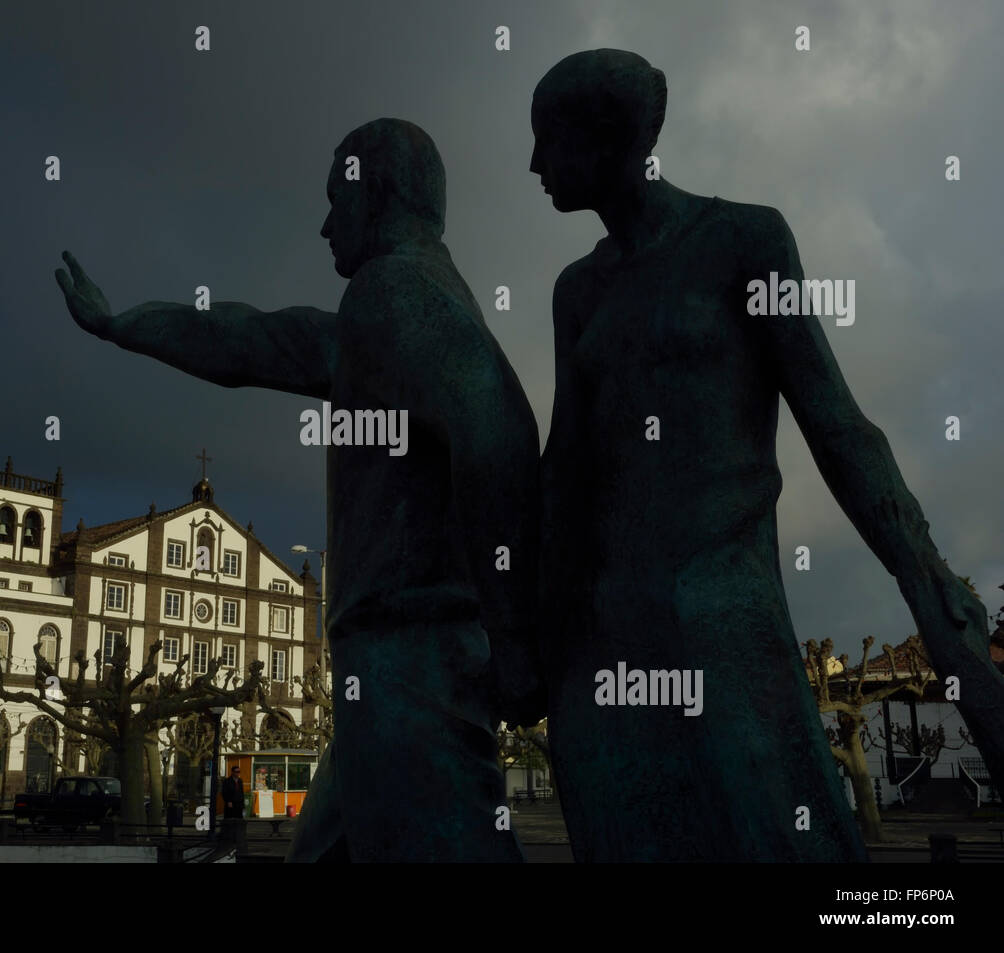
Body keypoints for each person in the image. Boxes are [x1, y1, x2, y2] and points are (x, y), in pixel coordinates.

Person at [530, 48, 1001, 861]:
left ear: (607, 140)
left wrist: (926, 580)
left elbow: (836, 421)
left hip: (723, 615)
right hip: (606, 635)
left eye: (549, 140)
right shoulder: (577, 292)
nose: (534, 165)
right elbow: (564, 468)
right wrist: (523, 628)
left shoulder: (744, 240)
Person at [56, 117, 543, 861]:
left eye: (333, 200)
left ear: (375, 195)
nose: (322, 225)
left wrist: (513, 633)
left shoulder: (393, 292)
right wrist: (123, 325)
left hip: (404, 662)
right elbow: (248, 339)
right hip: (389, 666)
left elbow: (499, 427)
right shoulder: (395, 306)